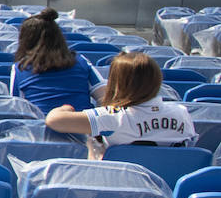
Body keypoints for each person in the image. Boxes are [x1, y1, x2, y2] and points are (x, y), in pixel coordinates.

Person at [45, 51, 198, 157]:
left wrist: (66, 108)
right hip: (169, 192)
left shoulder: (114, 116)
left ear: (117, 83)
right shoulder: (182, 112)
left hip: (123, 192)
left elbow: (54, 120)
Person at [10, 8, 104, 113]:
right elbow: (104, 97)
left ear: (24, 40)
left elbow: (17, 109)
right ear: (59, 36)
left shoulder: (20, 68)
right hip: (83, 125)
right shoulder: (81, 61)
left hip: (41, 127)